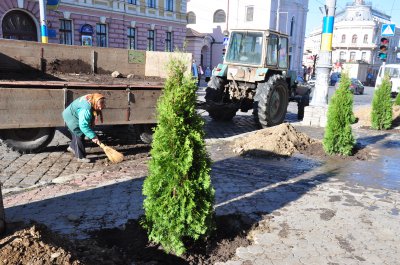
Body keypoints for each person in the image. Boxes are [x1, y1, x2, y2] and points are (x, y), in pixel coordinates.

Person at [62, 93, 106, 163]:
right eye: (99, 107)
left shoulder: (92, 98)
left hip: (74, 113)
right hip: (71, 117)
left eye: (102, 106)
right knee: (79, 134)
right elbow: (83, 125)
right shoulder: (86, 109)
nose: (100, 109)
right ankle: (80, 157)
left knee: (80, 133)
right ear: (95, 102)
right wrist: (93, 136)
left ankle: (72, 147)